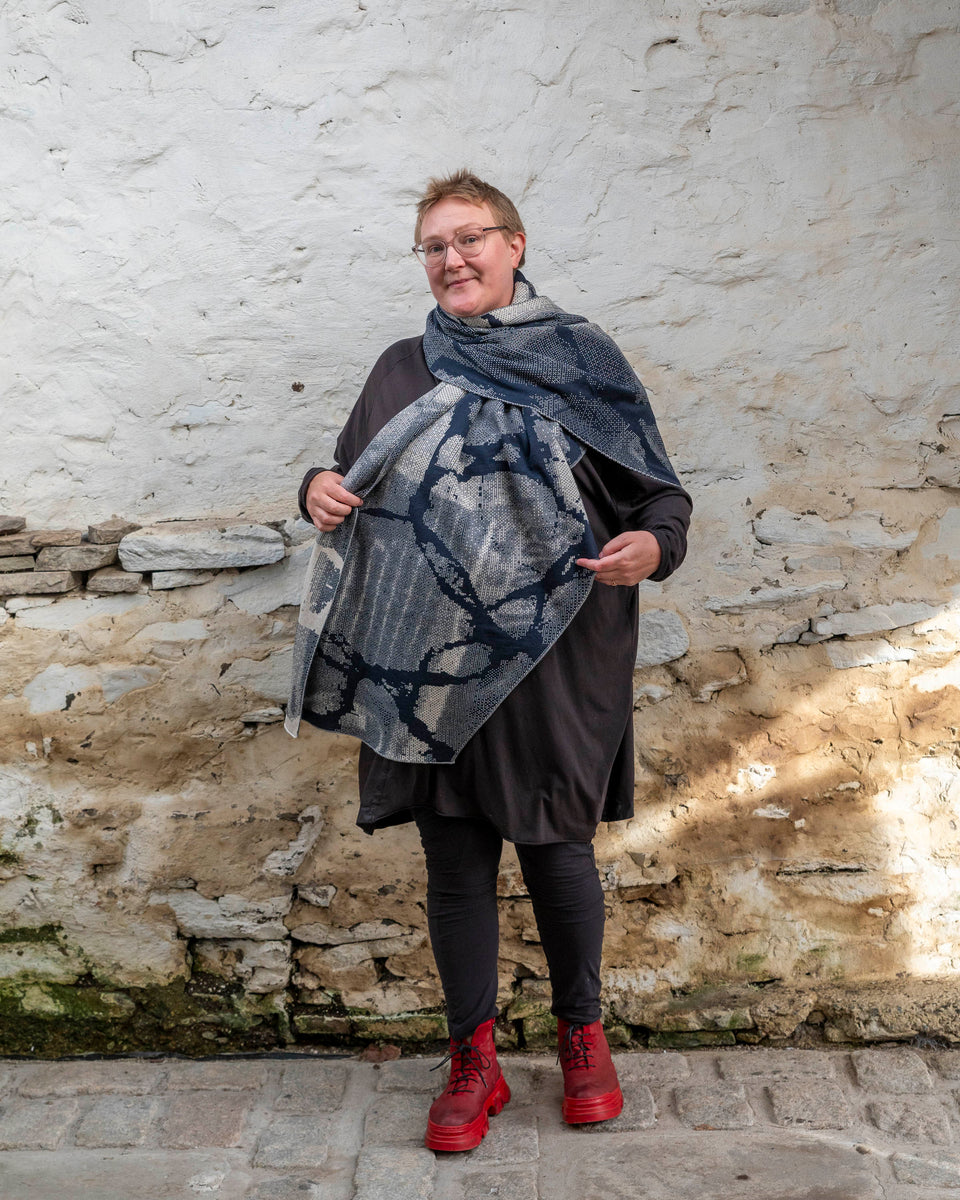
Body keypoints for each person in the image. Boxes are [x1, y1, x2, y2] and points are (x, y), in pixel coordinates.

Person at [290, 170, 691, 1152]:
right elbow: (351, 474)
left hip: (557, 653)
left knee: (558, 850)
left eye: (470, 238)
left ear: (515, 244)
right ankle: (472, 1058)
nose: (452, 259)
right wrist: (316, 489)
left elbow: (660, 502)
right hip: (426, 662)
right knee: (456, 859)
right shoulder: (401, 366)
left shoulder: (582, 359)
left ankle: (581, 1037)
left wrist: (653, 548)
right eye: (434, 245)